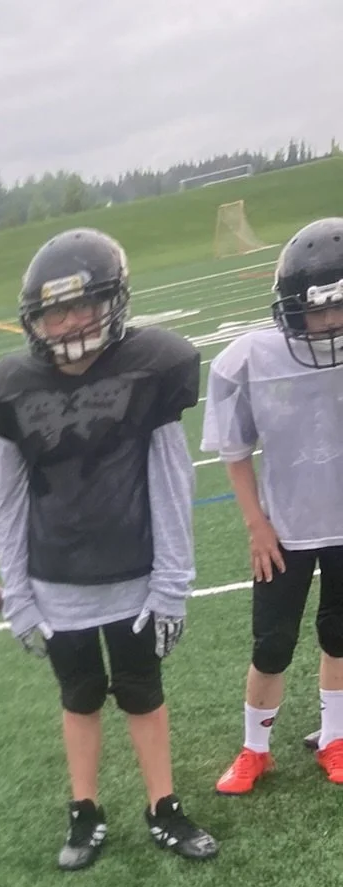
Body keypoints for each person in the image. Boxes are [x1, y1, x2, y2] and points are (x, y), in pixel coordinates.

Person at [0, 227, 217, 870]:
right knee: (78, 696)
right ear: (34, 321)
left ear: (113, 302)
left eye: (84, 304)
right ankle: (85, 811)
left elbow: (172, 483)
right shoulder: (13, 391)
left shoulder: (148, 370)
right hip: (57, 581)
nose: (71, 321)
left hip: (133, 574)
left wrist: (172, 584)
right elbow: (8, 503)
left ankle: (163, 806)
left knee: (143, 691)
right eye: (56, 311)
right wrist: (17, 595)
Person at [204, 218, 343, 795]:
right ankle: (254, 749)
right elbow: (236, 449)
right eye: (317, 309)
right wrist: (255, 523)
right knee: (272, 644)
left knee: (340, 635)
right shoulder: (252, 358)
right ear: (291, 306)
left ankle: (335, 737)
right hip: (284, 525)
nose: (329, 321)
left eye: (338, 307)